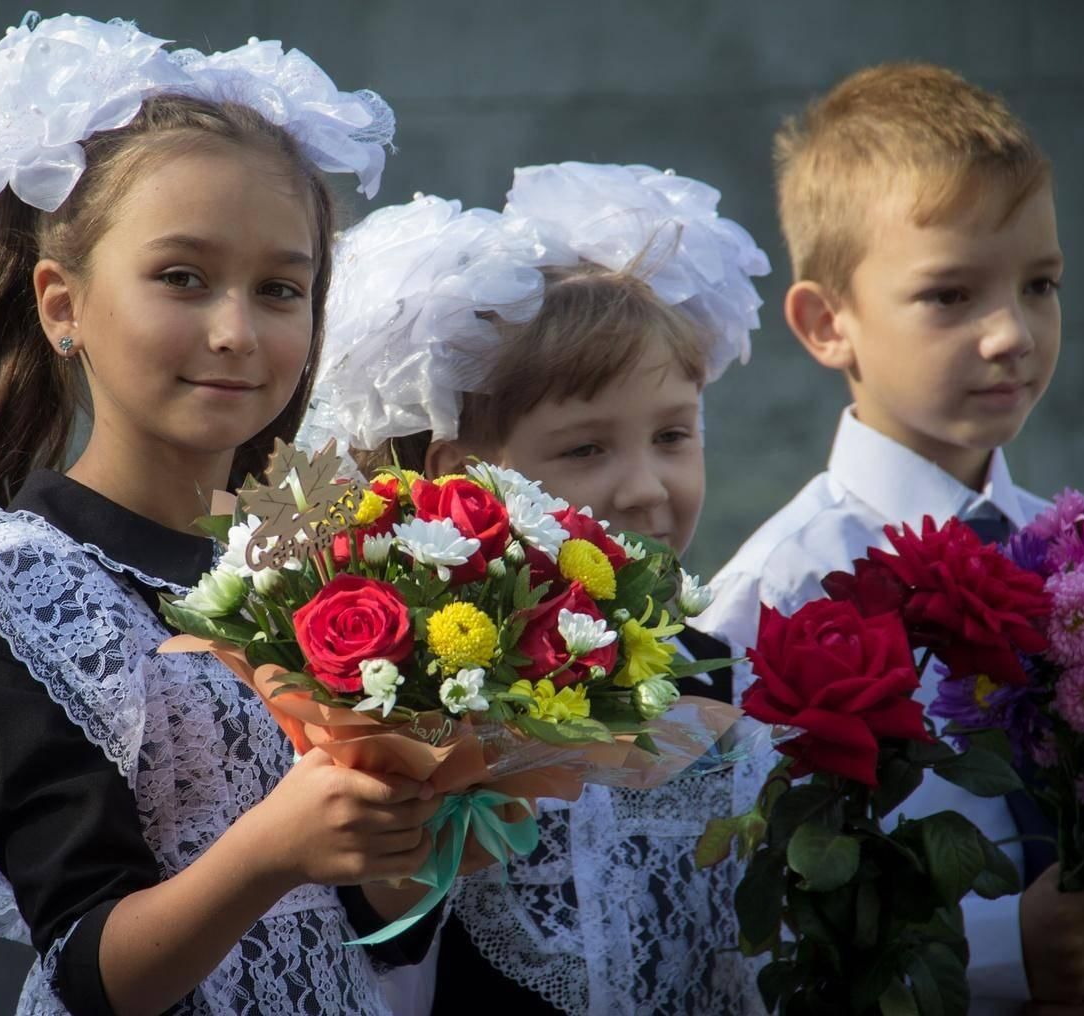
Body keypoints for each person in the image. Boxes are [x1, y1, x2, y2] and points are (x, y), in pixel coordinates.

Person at [0, 14, 440, 1015]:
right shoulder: (17, 602)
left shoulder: (326, 557)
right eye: (182, 277)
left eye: (280, 287)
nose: (236, 331)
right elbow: (92, 969)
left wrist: (408, 831)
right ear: (62, 304)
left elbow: (370, 925)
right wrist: (273, 847)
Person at [299, 160, 770, 1015]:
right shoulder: (429, 692)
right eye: (586, 449)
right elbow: (383, 942)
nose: (645, 486)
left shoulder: (703, 663)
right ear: (466, 477)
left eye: (672, 435)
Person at [695, 63, 1084, 1012]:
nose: (1013, 334)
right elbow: (740, 913)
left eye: (1040, 285)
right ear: (828, 322)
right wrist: (1010, 947)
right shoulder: (784, 589)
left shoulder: (1070, 552)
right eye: (951, 296)